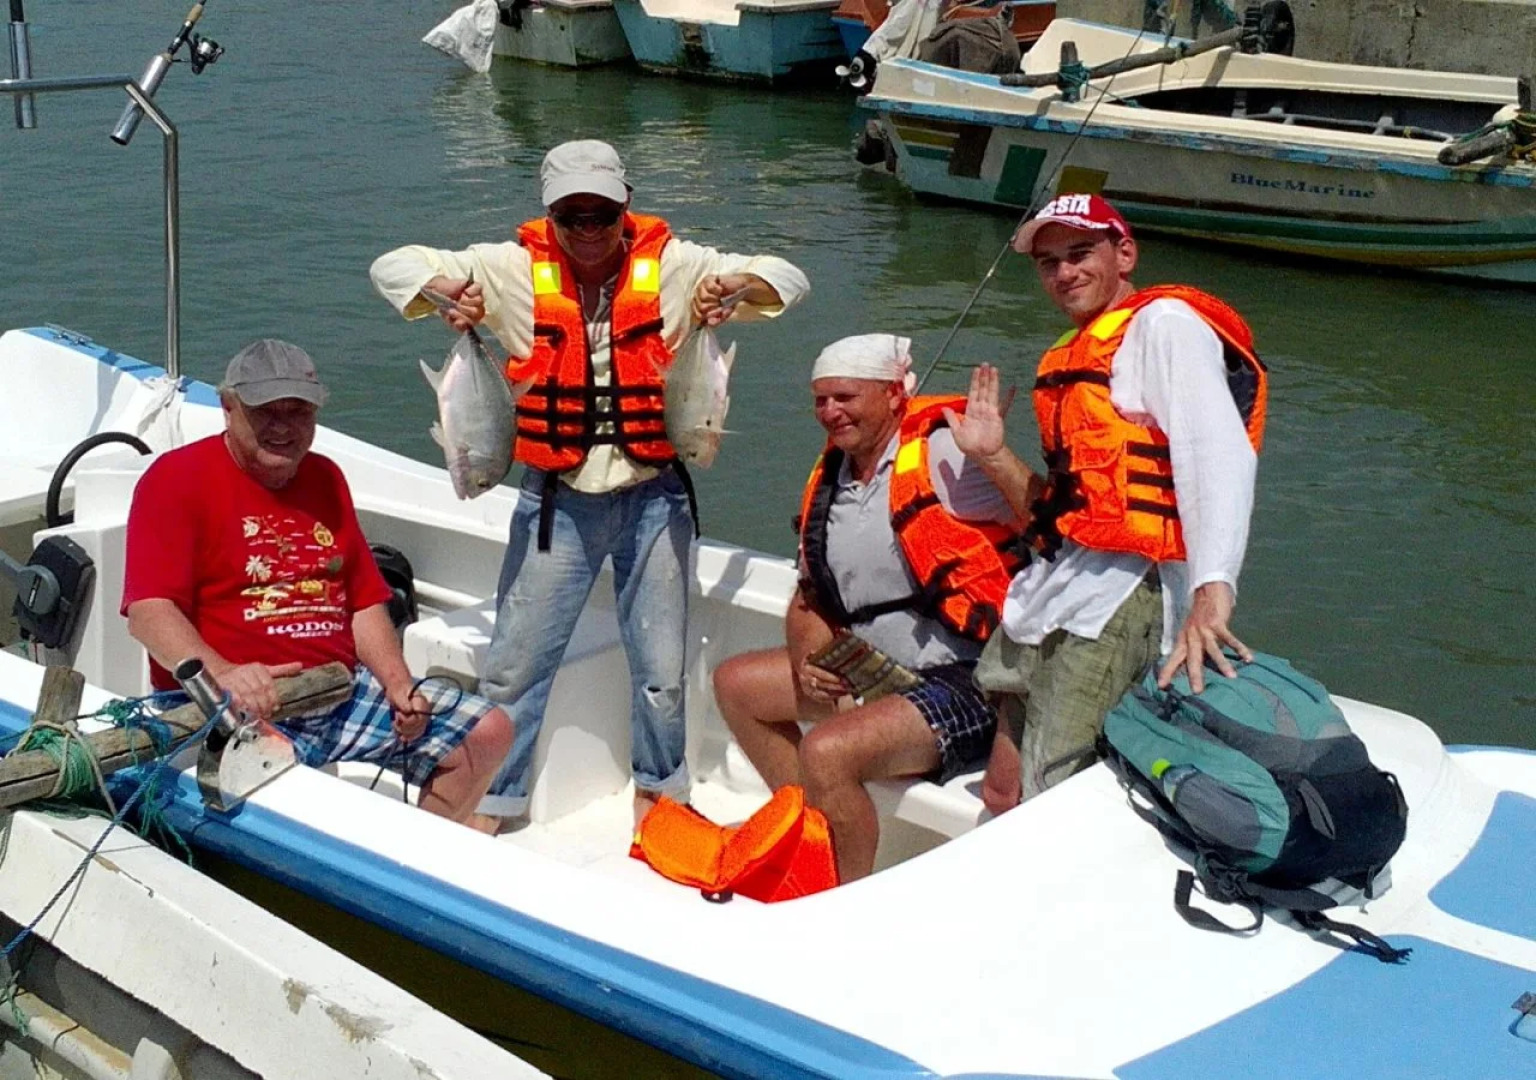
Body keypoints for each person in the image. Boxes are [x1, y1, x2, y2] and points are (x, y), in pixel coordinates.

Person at [370, 140, 809, 830]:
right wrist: (444, 293)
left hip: (656, 495)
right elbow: (391, 265)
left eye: (601, 213)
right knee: (515, 667)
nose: (588, 228)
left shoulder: (678, 266)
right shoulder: (508, 268)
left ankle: (659, 797)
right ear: (549, 216)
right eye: (571, 215)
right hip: (557, 502)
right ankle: (495, 799)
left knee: (663, 672)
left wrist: (737, 291)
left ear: (624, 205)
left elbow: (786, 276)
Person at [957, 193, 1267, 816]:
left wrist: (1213, 588)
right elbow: (1064, 511)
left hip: (1127, 595)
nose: (1064, 273)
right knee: (1000, 786)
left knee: (1052, 790)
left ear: (1124, 253)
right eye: (1049, 263)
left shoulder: (1165, 325)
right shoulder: (1073, 354)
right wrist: (992, 455)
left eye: (1080, 254)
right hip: (1059, 584)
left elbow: (1218, 453)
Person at [122, 340, 513, 826]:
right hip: (229, 704)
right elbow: (149, 611)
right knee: (283, 787)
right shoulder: (175, 480)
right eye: (266, 411)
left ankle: (420, 859)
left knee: (488, 732)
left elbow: (364, 600)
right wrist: (224, 674)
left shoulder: (326, 477)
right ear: (228, 407)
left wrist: (397, 682)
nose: (283, 427)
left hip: (336, 691)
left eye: (298, 411)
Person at [712, 334, 1021, 881]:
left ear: (894, 393)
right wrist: (812, 662)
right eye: (821, 400)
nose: (830, 412)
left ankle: (841, 893)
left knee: (829, 751)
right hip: (875, 668)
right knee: (736, 684)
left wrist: (993, 456)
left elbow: (1041, 522)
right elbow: (809, 593)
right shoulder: (833, 476)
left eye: (846, 397)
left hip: (964, 681)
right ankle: (809, 831)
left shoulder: (949, 456)